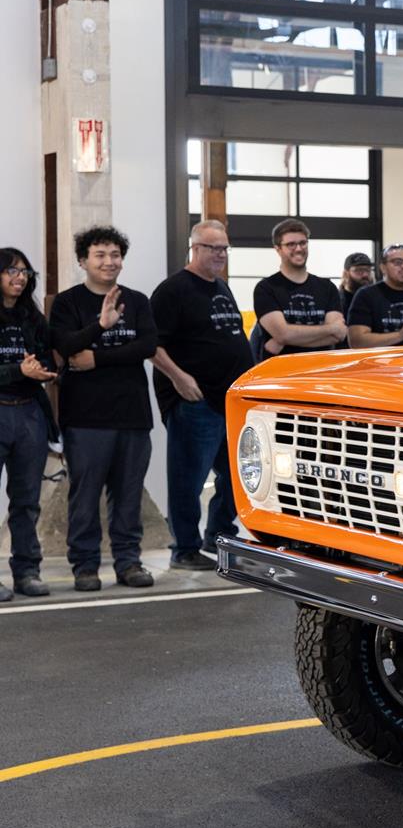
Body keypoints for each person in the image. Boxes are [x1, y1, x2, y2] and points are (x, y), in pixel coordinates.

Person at [50, 226, 158, 592]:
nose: (109, 261)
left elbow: (147, 346)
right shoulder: (68, 303)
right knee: (84, 496)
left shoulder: (138, 301)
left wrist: (97, 359)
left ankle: (129, 562)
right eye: (100, 255)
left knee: (128, 495)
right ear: (83, 261)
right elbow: (66, 345)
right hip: (85, 418)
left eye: (115, 255)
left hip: (133, 414)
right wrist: (100, 325)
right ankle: (85, 566)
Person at [151, 219, 256, 571]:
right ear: (195, 248)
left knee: (238, 476)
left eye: (225, 248)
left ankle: (219, 534)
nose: (221, 254)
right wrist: (179, 378)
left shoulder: (221, 287)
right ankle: (184, 549)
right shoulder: (173, 290)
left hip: (231, 402)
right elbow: (153, 344)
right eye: (214, 248)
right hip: (196, 402)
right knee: (188, 481)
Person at [0, 248, 57, 600]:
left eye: (24, 272)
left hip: (29, 414)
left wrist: (41, 370)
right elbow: (18, 368)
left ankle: (26, 571)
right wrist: (18, 370)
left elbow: (49, 359)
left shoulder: (32, 317)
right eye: (11, 271)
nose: (19, 277)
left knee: (26, 501)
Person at [253, 219, 346, 359]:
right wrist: (330, 329)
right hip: (282, 369)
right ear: (278, 249)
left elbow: (338, 335)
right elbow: (283, 334)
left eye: (303, 243)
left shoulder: (327, 287)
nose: (298, 249)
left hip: (321, 367)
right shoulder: (266, 288)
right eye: (291, 244)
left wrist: (287, 338)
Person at [339, 251, 374, 318]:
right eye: (359, 270)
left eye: (368, 270)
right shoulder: (335, 301)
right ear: (346, 274)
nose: (365, 275)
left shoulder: (376, 300)